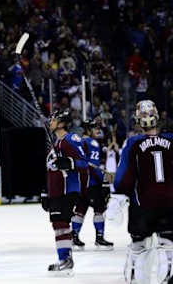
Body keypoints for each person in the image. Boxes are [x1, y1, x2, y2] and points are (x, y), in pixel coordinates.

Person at [114, 100, 173, 284]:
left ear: (138, 120)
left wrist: (119, 194)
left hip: (142, 206)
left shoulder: (133, 143)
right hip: (170, 204)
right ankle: (169, 273)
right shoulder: (172, 140)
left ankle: (137, 278)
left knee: (139, 248)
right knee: (169, 244)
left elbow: (122, 180)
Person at [42, 109, 88, 275]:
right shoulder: (55, 144)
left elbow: (83, 163)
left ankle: (66, 260)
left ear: (61, 122)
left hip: (67, 190)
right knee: (58, 225)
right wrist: (45, 193)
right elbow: (50, 171)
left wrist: (68, 162)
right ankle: (64, 259)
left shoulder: (70, 140)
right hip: (56, 192)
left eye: (53, 120)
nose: (50, 122)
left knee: (62, 224)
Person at [71, 119, 113, 251]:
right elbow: (94, 168)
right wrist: (103, 181)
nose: (98, 130)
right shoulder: (92, 142)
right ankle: (99, 238)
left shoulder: (79, 142)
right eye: (94, 128)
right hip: (93, 183)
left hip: (81, 184)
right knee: (99, 209)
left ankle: (74, 237)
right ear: (88, 130)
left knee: (80, 210)